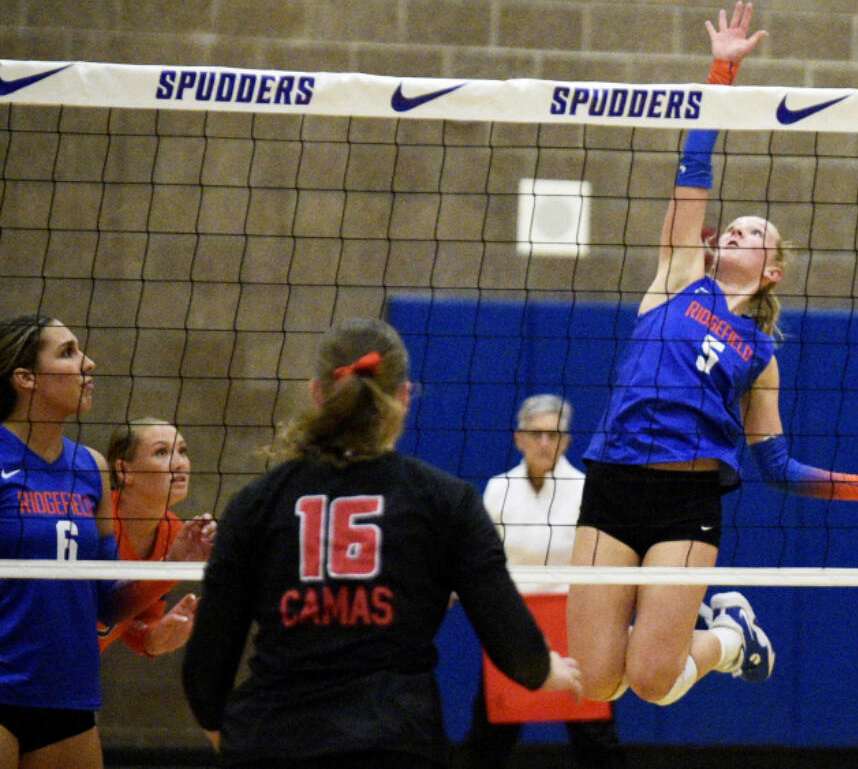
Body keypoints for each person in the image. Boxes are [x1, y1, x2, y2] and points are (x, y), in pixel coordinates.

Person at [568, 2, 858, 708]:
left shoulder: (760, 352)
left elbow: (775, 465)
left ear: (773, 268)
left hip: (687, 500)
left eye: (755, 232)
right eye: (736, 226)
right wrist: (721, 68)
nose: (737, 232)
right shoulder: (677, 275)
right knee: (597, 682)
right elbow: (695, 163)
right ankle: (722, 635)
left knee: (655, 682)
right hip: (612, 483)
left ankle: (731, 638)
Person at [181, 318, 583, 769]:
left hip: (273, 737)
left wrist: (225, 731)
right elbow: (511, 639)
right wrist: (544, 670)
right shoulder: (445, 502)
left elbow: (205, 669)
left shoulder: (255, 505)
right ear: (405, 396)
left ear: (316, 392)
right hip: (396, 739)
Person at [0, 315, 190, 769]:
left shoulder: (91, 468)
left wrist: (172, 563)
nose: (89, 363)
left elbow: (107, 603)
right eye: (67, 353)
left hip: (67, 694)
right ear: (26, 378)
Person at [459, 394, 625, 769]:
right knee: (491, 734)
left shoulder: (585, 488)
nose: (544, 443)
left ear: (566, 441)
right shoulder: (498, 489)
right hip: (515, 626)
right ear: (519, 438)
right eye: (536, 434)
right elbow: (482, 557)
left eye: (553, 434)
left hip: (574, 626)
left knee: (594, 736)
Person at [98, 418, 217, 657]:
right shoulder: (95, 522)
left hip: (74, 671)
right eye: (161, 452)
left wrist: (154, 637)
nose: (180, 464)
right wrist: (171, 567)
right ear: (123, 471)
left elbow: (132, 616)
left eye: (182, 451)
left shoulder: (174, 532)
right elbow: (99, 609)